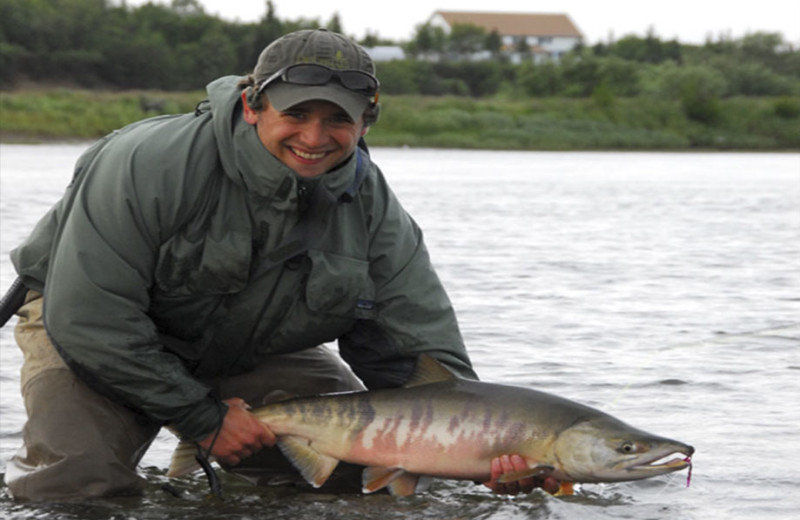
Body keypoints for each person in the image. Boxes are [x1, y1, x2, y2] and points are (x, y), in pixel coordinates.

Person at [4, 28, 557, 501]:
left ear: (367, 122)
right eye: (296, 114)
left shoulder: (376, 212)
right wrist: (205, 420)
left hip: (246, 349)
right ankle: (191, 447)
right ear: (252, 106)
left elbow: (418, 357)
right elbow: (90, 319)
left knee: (362, 475)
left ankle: (199, 483)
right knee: (78, 489)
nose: (314, 139)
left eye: (337, 121)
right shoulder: (147, 162)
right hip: (86, 332)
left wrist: (484, 450)